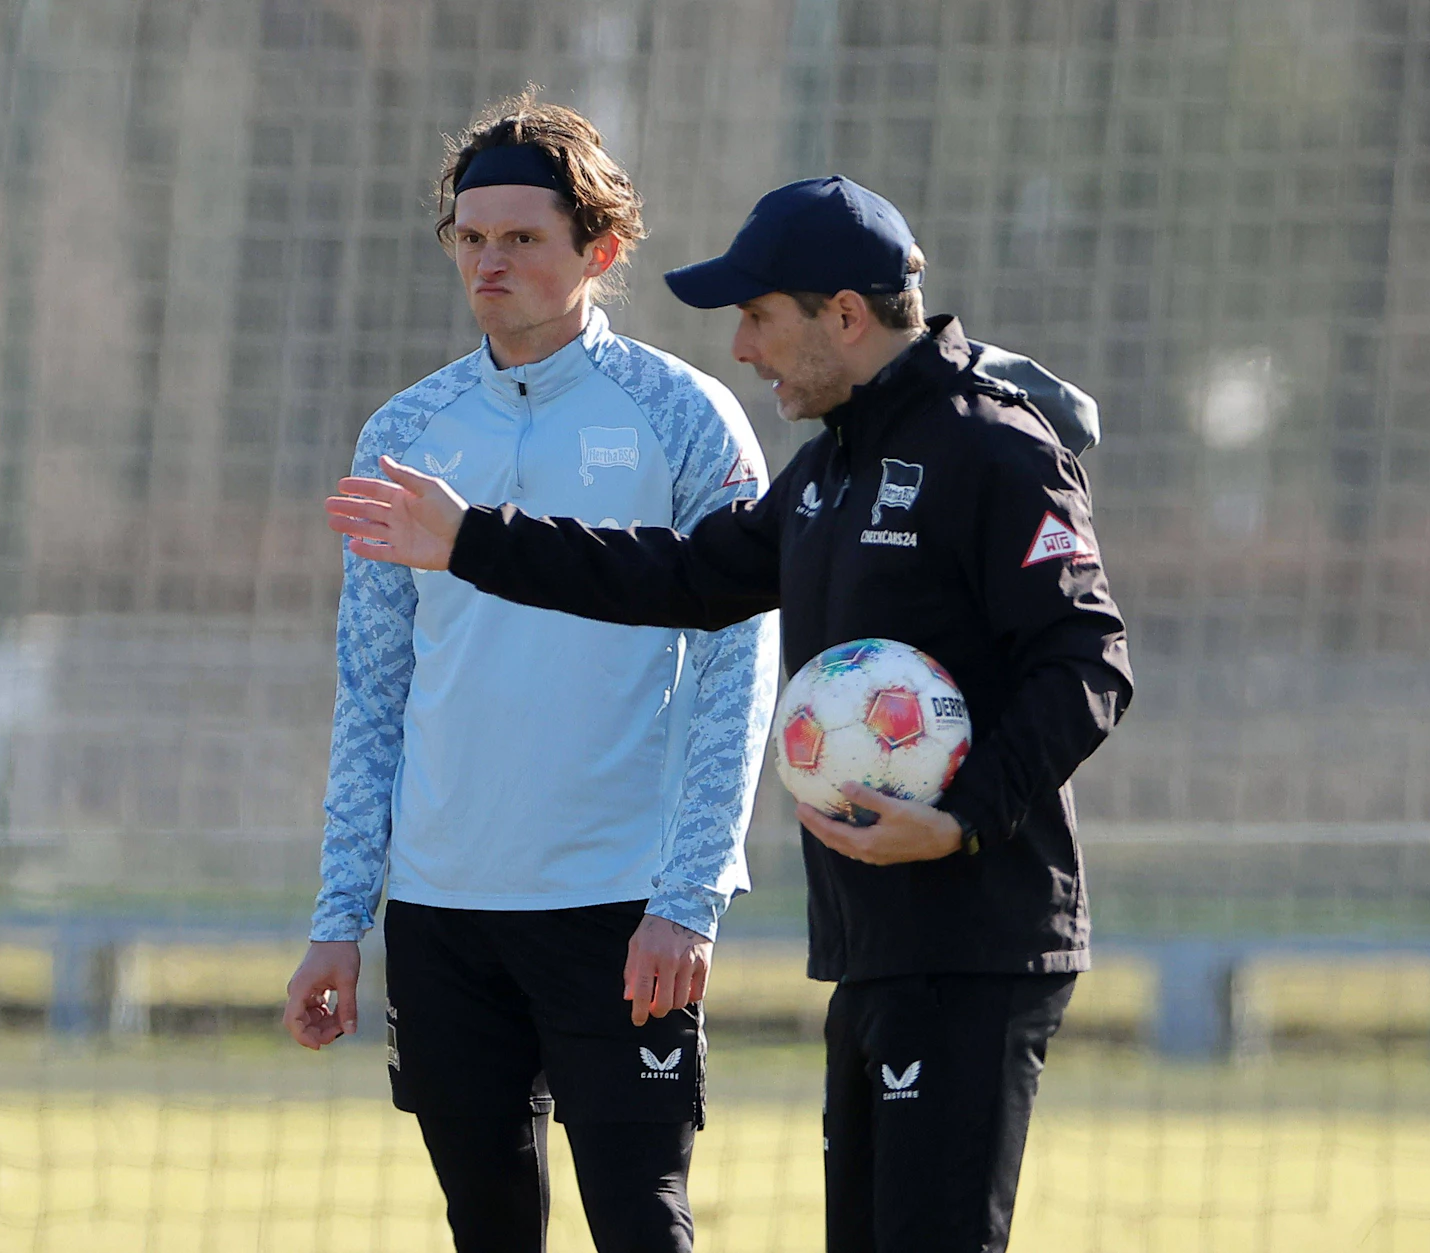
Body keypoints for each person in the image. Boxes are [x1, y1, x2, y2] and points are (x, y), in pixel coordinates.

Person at [324, 175, 1134, 1253]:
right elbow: (682, 575)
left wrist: (960, 817)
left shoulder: (992, 446)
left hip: (979, 932)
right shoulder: (827, 470)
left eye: (758, 316)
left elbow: (1088, 660)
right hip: (871, 940)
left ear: (843, 315)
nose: (743, 347)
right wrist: (474, 540)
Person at [281, 94, 778, 1253]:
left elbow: (738, 666)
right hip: (443, 912)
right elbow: (373, 690)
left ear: (599, 249)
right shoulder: (404, 431)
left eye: (520, 237)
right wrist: (340, 916)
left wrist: (687, 894)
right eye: (470, 237)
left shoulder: (685, 417)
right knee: (487, 1228)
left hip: (619, 906)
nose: (488, 262)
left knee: (642, 1222)